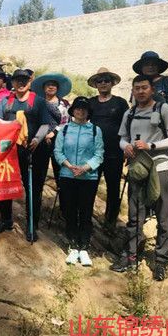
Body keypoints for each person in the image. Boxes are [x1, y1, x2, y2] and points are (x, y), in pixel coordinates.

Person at [110, 75, 168, 281]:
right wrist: (127, 147)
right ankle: (131, 256)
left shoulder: (164, 109)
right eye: (137, 88)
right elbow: (123, 138)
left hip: (162, 166)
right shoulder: (130, 113)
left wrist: (151, 145)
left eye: (144, 88)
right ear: (132, 91)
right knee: (135, 215)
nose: (140, 91)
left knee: (164, 215)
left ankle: (161, 261)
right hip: (138, 168)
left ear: (152, 90)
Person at [0, 69, 52, 241]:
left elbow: (45, 124)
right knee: (5, 184)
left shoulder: (39, 102)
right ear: (12, 82)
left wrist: (37, 139)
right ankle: (5, 219)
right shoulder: (6, 102)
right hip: (9, 152)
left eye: (24, 80)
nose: (21, 83)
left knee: (33, 187)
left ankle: (32, 224)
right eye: (17, 80)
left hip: (33, 150)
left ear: (30, 82)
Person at [54, 96, 104, 267]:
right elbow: (58, 152)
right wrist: (69, 166)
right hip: (67, 175)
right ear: (73, 111)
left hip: (88, 177)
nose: (80, 111)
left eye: (84, 109)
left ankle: (84, 247)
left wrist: (84, 168)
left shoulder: (96, 130)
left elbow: (99, 154)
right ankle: (73, 245)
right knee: (69, 210)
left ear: (88, 112)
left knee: (85, 211)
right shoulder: (65, 130)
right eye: (77, 108)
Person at [87, 67, 129, 230]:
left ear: (112, 83)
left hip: (114, 153)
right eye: (100, 81)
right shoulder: (90, 103)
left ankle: (110, 222)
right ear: (96, 84)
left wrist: (127, 148)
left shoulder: (120, 103)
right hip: (93, 153)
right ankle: (86, 218)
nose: (103, 83)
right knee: (90, 186)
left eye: (106, 80)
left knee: (113, 188)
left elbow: (127, 125)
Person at [31, 73, 72, 218]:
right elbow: (34, 121)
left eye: (53, 85)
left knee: (61, 175)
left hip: (59, 143)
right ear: (43, 88)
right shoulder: (37, 102)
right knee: (38, 177)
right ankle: (35, 212)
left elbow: (66, 122)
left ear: (58, 88)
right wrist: (42, 135)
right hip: (40, 142)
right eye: (48, 85)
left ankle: (65, 211)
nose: (51, 87)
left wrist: (53, 133)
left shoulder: (64, 104)